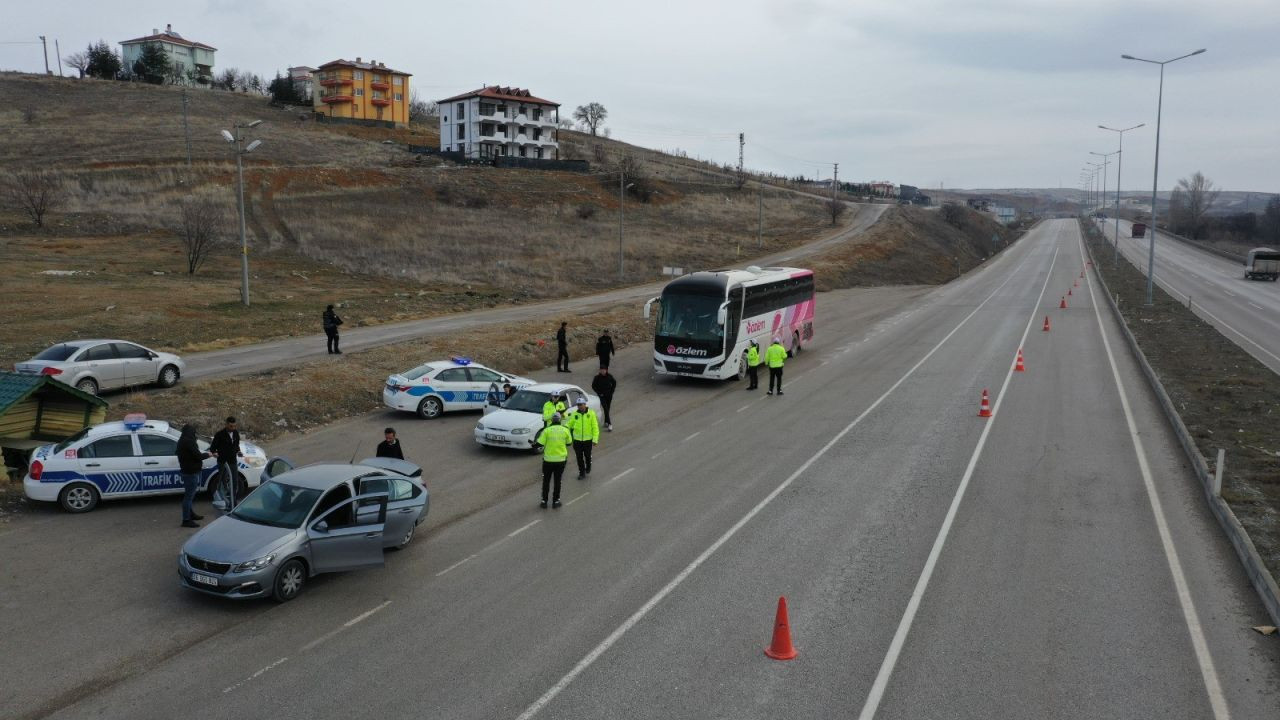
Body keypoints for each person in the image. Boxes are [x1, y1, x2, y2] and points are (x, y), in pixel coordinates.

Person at [535, 413, 572, 508]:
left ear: (551, 420)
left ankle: (544, 501)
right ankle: (556, 501)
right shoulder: (565, 430)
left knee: (546, 481)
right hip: (561, 460)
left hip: (548, 460)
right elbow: (569, 443)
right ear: (560, 420)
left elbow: (540, 444)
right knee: (557, 480)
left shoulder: (546, 430)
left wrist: (534, 444)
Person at [177, 424, 210, 528]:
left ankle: (190, 514)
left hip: (187, 471)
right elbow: (198, 456)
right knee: (189, 497)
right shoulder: (189, 442)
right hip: (191, 473)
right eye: (194, 432)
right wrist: (209, 454)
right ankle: (186, 520)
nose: (195, 434)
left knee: (190, 496)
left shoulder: (182, 440)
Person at [209, 416, 243, 506]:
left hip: (232, 461)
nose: (233, 428)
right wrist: (214, 453)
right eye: (231, 426)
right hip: (223, 462)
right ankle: (223, 500)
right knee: (223, 481)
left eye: (234, 426)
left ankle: (233, 501)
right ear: (226, 424)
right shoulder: (219, 434)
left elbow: (236, 445)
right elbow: (212, 448)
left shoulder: (236, 433)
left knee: (234, 481)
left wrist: (238, 451)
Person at [566, 397, 600, 479]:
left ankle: (588, 466)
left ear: (585, 404)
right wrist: (563, 428)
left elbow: (595, 427)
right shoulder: (575, 414)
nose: (579, 406)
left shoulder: (591, 414)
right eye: (578, 405)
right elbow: (569, 424)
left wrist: (595, 439)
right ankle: (582, 473)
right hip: (577, 441)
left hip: (587, 440)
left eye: (581, 404)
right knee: (579, 458)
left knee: (587, 456)